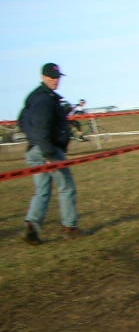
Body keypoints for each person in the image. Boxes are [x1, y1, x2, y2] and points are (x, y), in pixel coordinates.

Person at [18, 63, 82, 244]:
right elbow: (41, 127)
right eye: (52, 77)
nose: (56, 80)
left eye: (57, 77)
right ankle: (70, 227)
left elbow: (22, 121)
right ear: (43, 77)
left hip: (34, 150)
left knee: (42, 190)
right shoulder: (45, 99)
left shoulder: (35, 98)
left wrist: (35, 141)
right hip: (48, 150)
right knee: (66, 187)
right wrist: (47, 153)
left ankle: (32, 224)